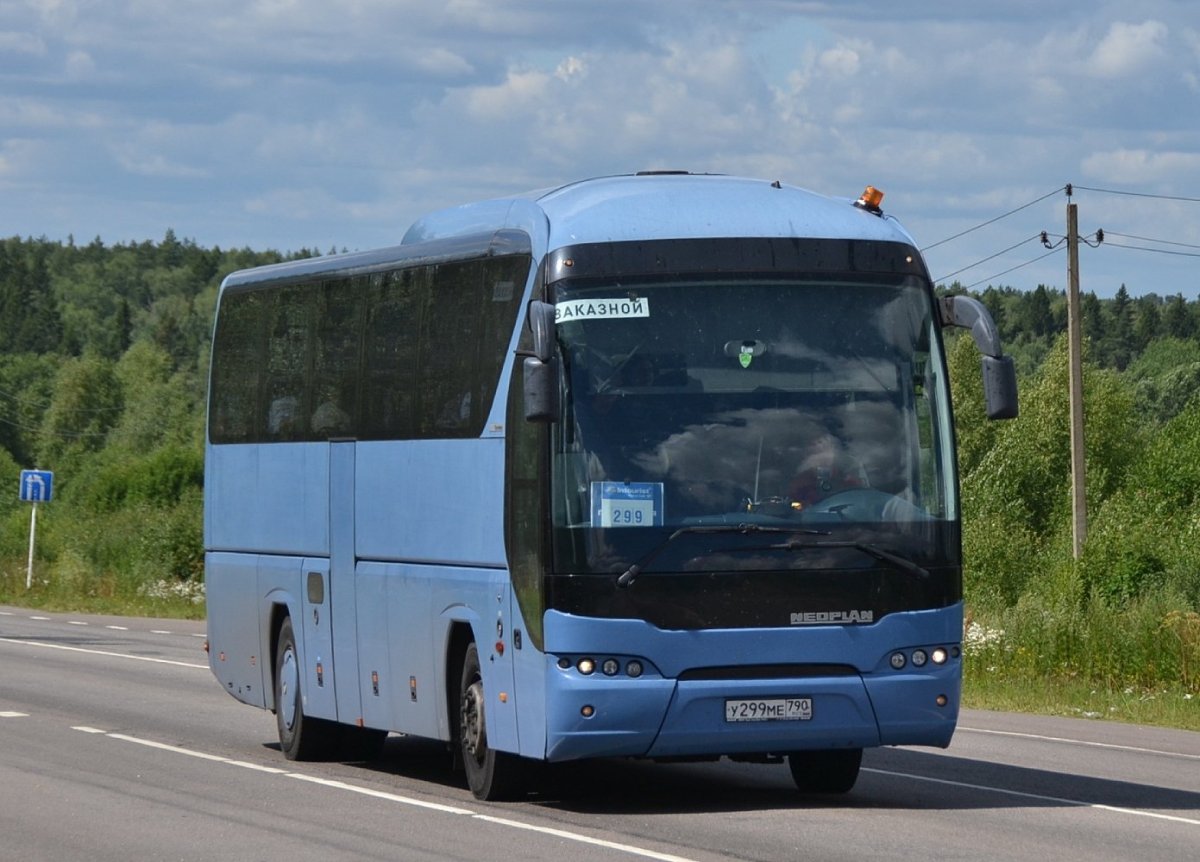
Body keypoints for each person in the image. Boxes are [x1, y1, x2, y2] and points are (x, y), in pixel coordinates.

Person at [788, 432, 865, 507]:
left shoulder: (848, 479)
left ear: (835, 453)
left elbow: (861, 502)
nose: (823, 457)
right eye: (817, 453)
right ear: (808, 456)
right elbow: (793, 505)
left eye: (827, 451)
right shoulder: (801, 482)